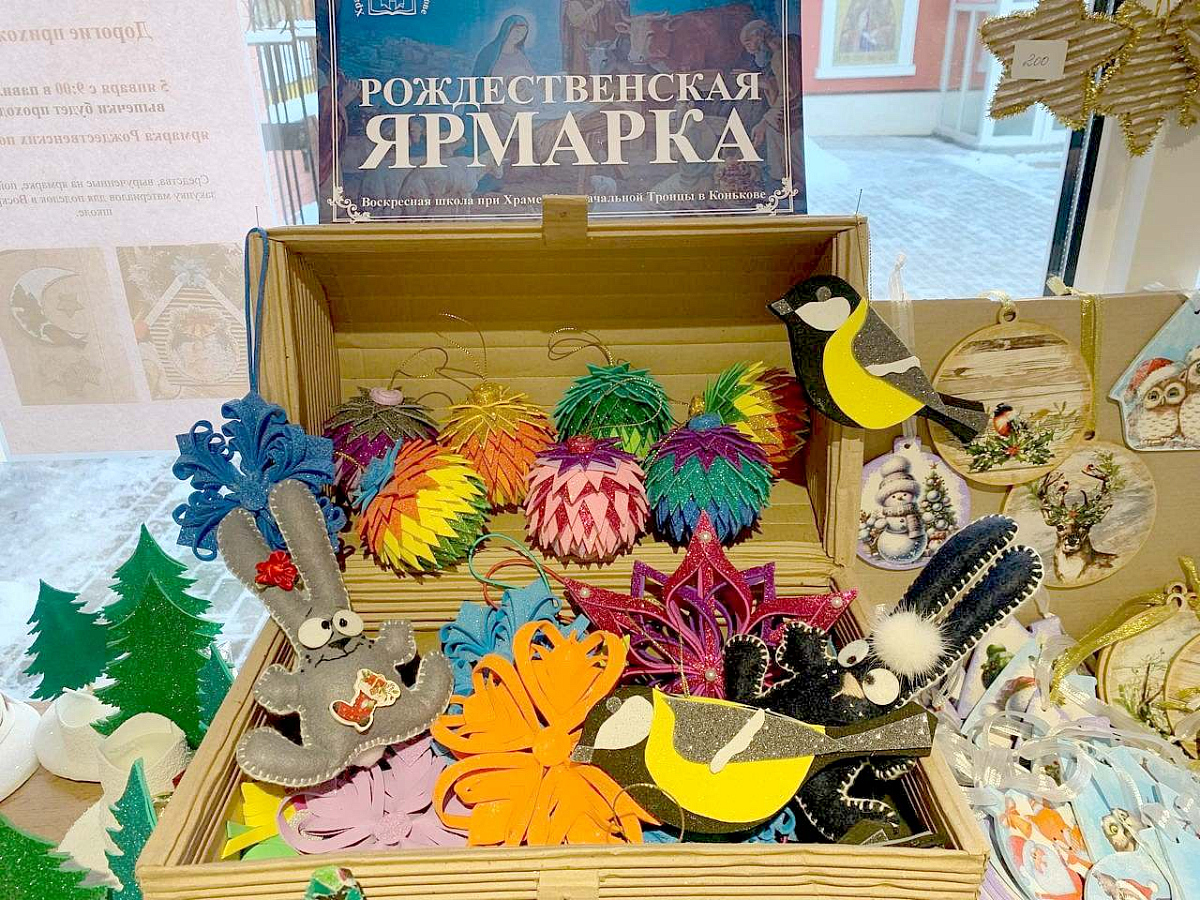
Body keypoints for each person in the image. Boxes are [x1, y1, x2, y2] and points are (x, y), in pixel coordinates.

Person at [739, 19, 802, 182]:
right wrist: (764, 83)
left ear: (759, 37)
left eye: (748, 44)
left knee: (774, 132)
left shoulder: (780, 56)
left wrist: (764, 122)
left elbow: (789, 94)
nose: (749, 51)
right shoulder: (789, 44)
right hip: (795, 116)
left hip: (797, 122)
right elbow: (786, 83)